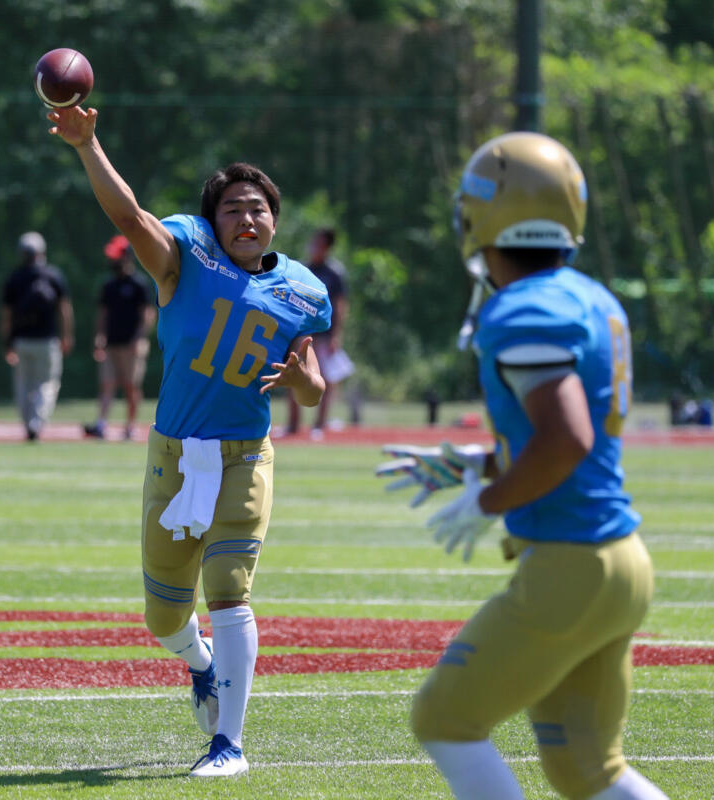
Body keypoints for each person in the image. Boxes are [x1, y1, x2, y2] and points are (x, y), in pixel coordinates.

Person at [376, 132, 668, 800]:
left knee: (445, 718)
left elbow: (566, 438)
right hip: (620, 559)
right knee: (586, 770)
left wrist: (489, 500)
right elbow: (568, 439)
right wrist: (473, 465)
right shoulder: (589, 297)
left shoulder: (525, 307)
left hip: (571, 563)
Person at [47, 104, 332, 777]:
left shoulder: (302, 291)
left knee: (229, 588)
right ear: (212, 222)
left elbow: (316, 389)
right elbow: (130, 219)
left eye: (258, 207)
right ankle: (200, 666)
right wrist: (88, 145)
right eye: (232, 208)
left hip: (244, 455)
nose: (247, 218)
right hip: (175, 456)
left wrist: (300, 382)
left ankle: (228, 744)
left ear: (275, 219)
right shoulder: (186, 260)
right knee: (163, 616)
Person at [1, 231, 74, 441]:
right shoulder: (53, 275)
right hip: (47, 340)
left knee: (23, 383)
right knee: (47, 383)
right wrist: (66, 335)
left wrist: (7, 342)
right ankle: (36, 422)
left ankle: (27, 424)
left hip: (21, 340)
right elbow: (64, 309)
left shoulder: (14, 278)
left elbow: (6, 316)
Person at [83, 234, 156, 441]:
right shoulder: (109, 285)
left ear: (127, 257)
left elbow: (147, 314)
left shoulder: (138, 284)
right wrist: (99, 336)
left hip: (132, 345)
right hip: (111, 344)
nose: (114, 262)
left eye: (117, 257)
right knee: (107, 383)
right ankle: (101, 424)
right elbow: (103, 313)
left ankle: (130, 426)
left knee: (131, 385)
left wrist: (139, 338)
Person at [286, 227, 349, 438]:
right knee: (293, 374)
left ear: (327, 247)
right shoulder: (303, 269)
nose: (314, 246)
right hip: (302, 333)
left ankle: (319, 425)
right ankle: (293, 425)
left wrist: (337, 335)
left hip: (324, 334)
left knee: (326, 380)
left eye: (319, 243)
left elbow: (340, 305)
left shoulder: (334, 272)